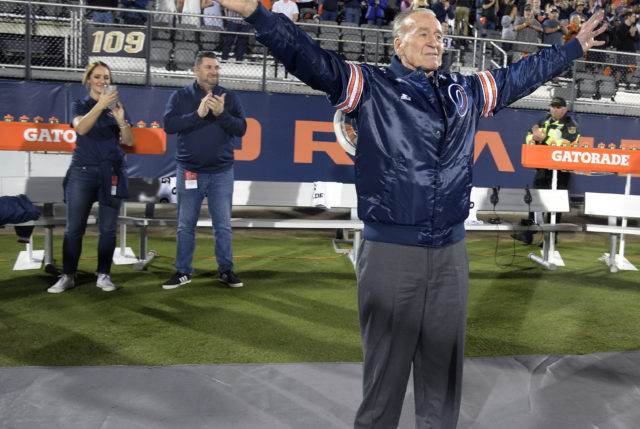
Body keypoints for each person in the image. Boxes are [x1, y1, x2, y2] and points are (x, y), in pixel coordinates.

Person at [211, 0, 606, 426]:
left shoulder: (465, 91)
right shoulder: (369, 85)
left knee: (444, 378)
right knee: (385, 380)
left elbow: (519, 76)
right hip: (391, 254)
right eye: (423, 33)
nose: (435, 41)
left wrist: (572, 49)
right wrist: (257, 13)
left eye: (439, 35)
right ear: (398, 43)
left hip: (451, 253)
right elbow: (308, 58)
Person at [162, 51, 247, 290]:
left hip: (221, 172)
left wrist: (222, 114)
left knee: (223, 225)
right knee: (185, 225)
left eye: (217, 68)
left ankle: (226, 270)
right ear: (196, 70)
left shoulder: (229, 97)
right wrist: (197, 115)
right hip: (190, 171)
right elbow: (169, 125)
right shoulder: (180, 96)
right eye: (209, 67)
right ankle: (182, 272)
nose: (214, 72)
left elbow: (241, 128)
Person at [47, 61, 134, 294]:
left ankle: (103, 274)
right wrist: (100, 106)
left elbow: (129, 140)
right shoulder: (79, 104)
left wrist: (121, 120)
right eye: (97, 77)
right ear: (88, 80)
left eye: (106, 77)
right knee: (74, 228)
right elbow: (81, 128)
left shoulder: (116, 106)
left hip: (112, 172)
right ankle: (68, 275)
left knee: (107, 228)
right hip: (82, 172)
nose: (102, 81)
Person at [512, 96, 579, 245]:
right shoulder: (544, 120)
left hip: (561, 170)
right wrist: (534, 138)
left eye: (557, 108)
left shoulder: (570, 124)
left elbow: (565, 144)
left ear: (564, 109)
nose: (553, 110)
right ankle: (528, 234)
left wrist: (544, 137)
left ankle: (551, 238)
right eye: (552, 107)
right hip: (542, 167)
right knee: (535, 200)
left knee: (555, 205)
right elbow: (530, 136)